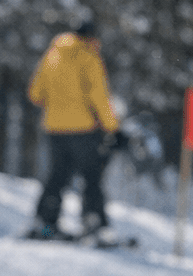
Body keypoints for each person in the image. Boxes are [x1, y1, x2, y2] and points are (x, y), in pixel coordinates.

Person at [25, 19, 125, 242]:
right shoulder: (88, 57)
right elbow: (99, 96)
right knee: (91, 175)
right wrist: (113, 128)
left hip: (54, 128)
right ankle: (93, 223)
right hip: (83, 128)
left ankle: (45, 223)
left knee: (57, 176)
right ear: (90, 37)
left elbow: (35, 93)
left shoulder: (52, 55)